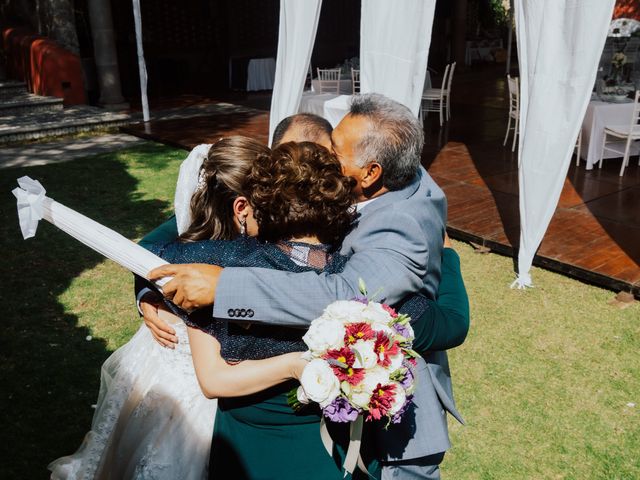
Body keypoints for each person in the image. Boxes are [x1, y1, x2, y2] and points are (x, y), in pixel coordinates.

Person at [148, 94, 467, 480]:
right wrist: (149, 293)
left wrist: (223, 287)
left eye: (334, 150)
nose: (324, 160)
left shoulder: (396, 231)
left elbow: (349, 296)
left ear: (370, 173)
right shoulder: (369, 176)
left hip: (383, 423)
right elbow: (158, 245)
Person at [48, 136, 270, 480]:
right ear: (241, 206)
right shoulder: (196, 238)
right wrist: (150, 296)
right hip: (184, 372)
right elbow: (148, 250)